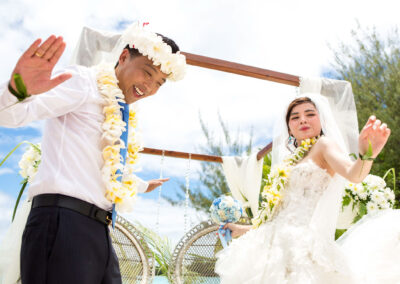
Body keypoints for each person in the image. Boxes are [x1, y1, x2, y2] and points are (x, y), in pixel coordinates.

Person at [0, 23, 186, 284]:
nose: (150, 87)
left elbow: (99, 166)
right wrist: (20, 88)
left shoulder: (120, 110)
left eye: (159, 83)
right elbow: (10, 115)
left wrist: (142, 185)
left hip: (99, 231)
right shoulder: (82, 82)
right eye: (147, 73)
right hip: (62, 224)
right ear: (123, 57)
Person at [215, 95, 400, 283]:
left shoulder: (324, 145)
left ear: (321, 120)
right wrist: (242, 229)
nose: (302, 119)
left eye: (310, 114)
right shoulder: (290, 161)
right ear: (289, 128)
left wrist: (367, 154)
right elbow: (277, 216)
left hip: (300, 247)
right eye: (295, 117)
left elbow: (354, 175)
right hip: (271, 247)